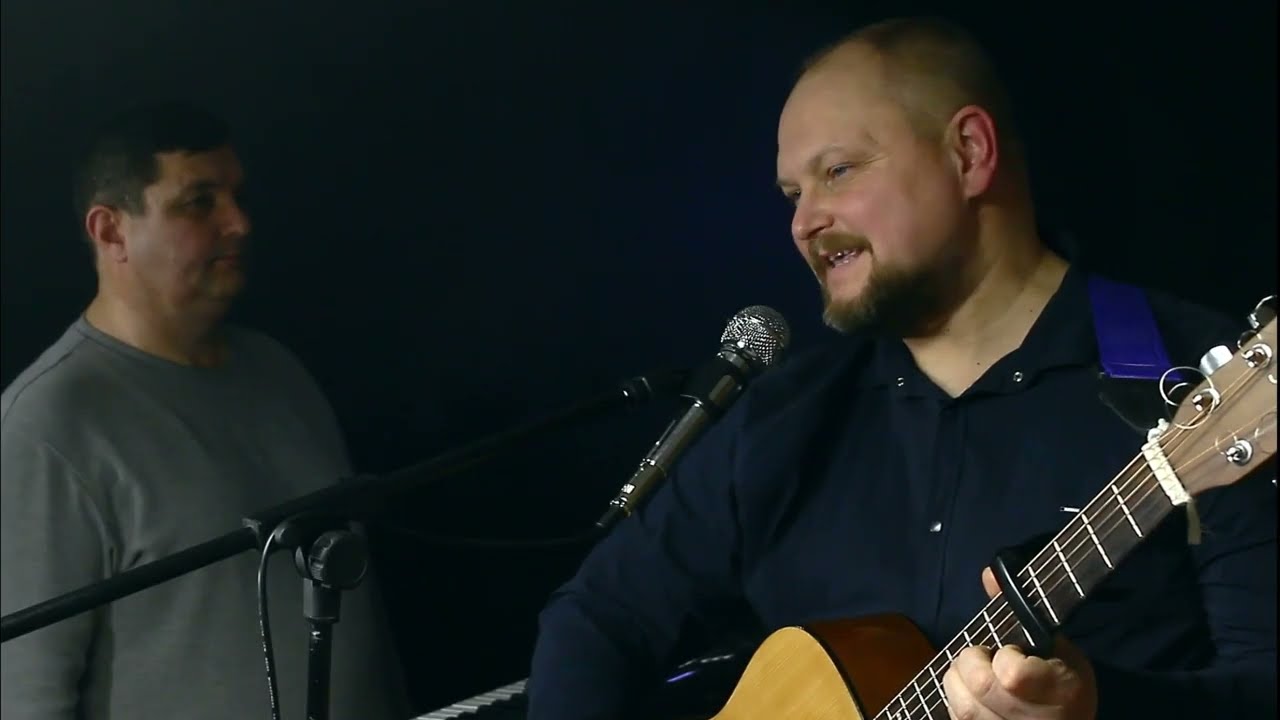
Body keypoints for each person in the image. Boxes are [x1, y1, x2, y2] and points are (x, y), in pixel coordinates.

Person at [527, 16, 1276, 720]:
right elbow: (597, 618)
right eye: (793, 195)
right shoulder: (780, 422)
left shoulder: (1206, 382)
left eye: (838, 171)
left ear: (969, 153)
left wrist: (1098, 707)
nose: (804, 222)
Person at [0, 101, 410, 720]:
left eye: (237, 196)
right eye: (199, 202)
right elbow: (21, 699)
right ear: (111, 232)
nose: (239, 223)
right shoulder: (44, 428)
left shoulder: (276, 369)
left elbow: (362, 622)